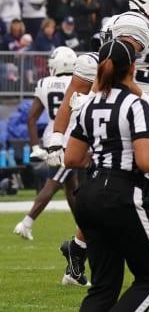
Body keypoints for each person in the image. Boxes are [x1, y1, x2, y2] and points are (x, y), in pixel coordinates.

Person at [46, 0, 149, 288]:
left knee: (136, 183)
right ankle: (96, 247)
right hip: (117, 113)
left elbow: (139, 80)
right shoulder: (136, 26)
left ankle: (78, 248)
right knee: (136, 182)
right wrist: (56, 139)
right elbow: (116, 70)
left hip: (125, 109)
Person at [65, 39, 149, 311]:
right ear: (133, 68)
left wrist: (103, 154)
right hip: (120, 193)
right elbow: (146, 161)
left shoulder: (88, 104)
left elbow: (72, 158)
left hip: (88, 195)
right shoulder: (137, 105)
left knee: (103, 289)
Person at [13, 47, 77, 242]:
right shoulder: (79, 83)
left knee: (71, 186)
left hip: (52, 139)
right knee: (54, 183)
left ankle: (83, 226)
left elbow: (32, 118)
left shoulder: (45, 83)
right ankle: (26, 223)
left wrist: (35, 147)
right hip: (69, 140)